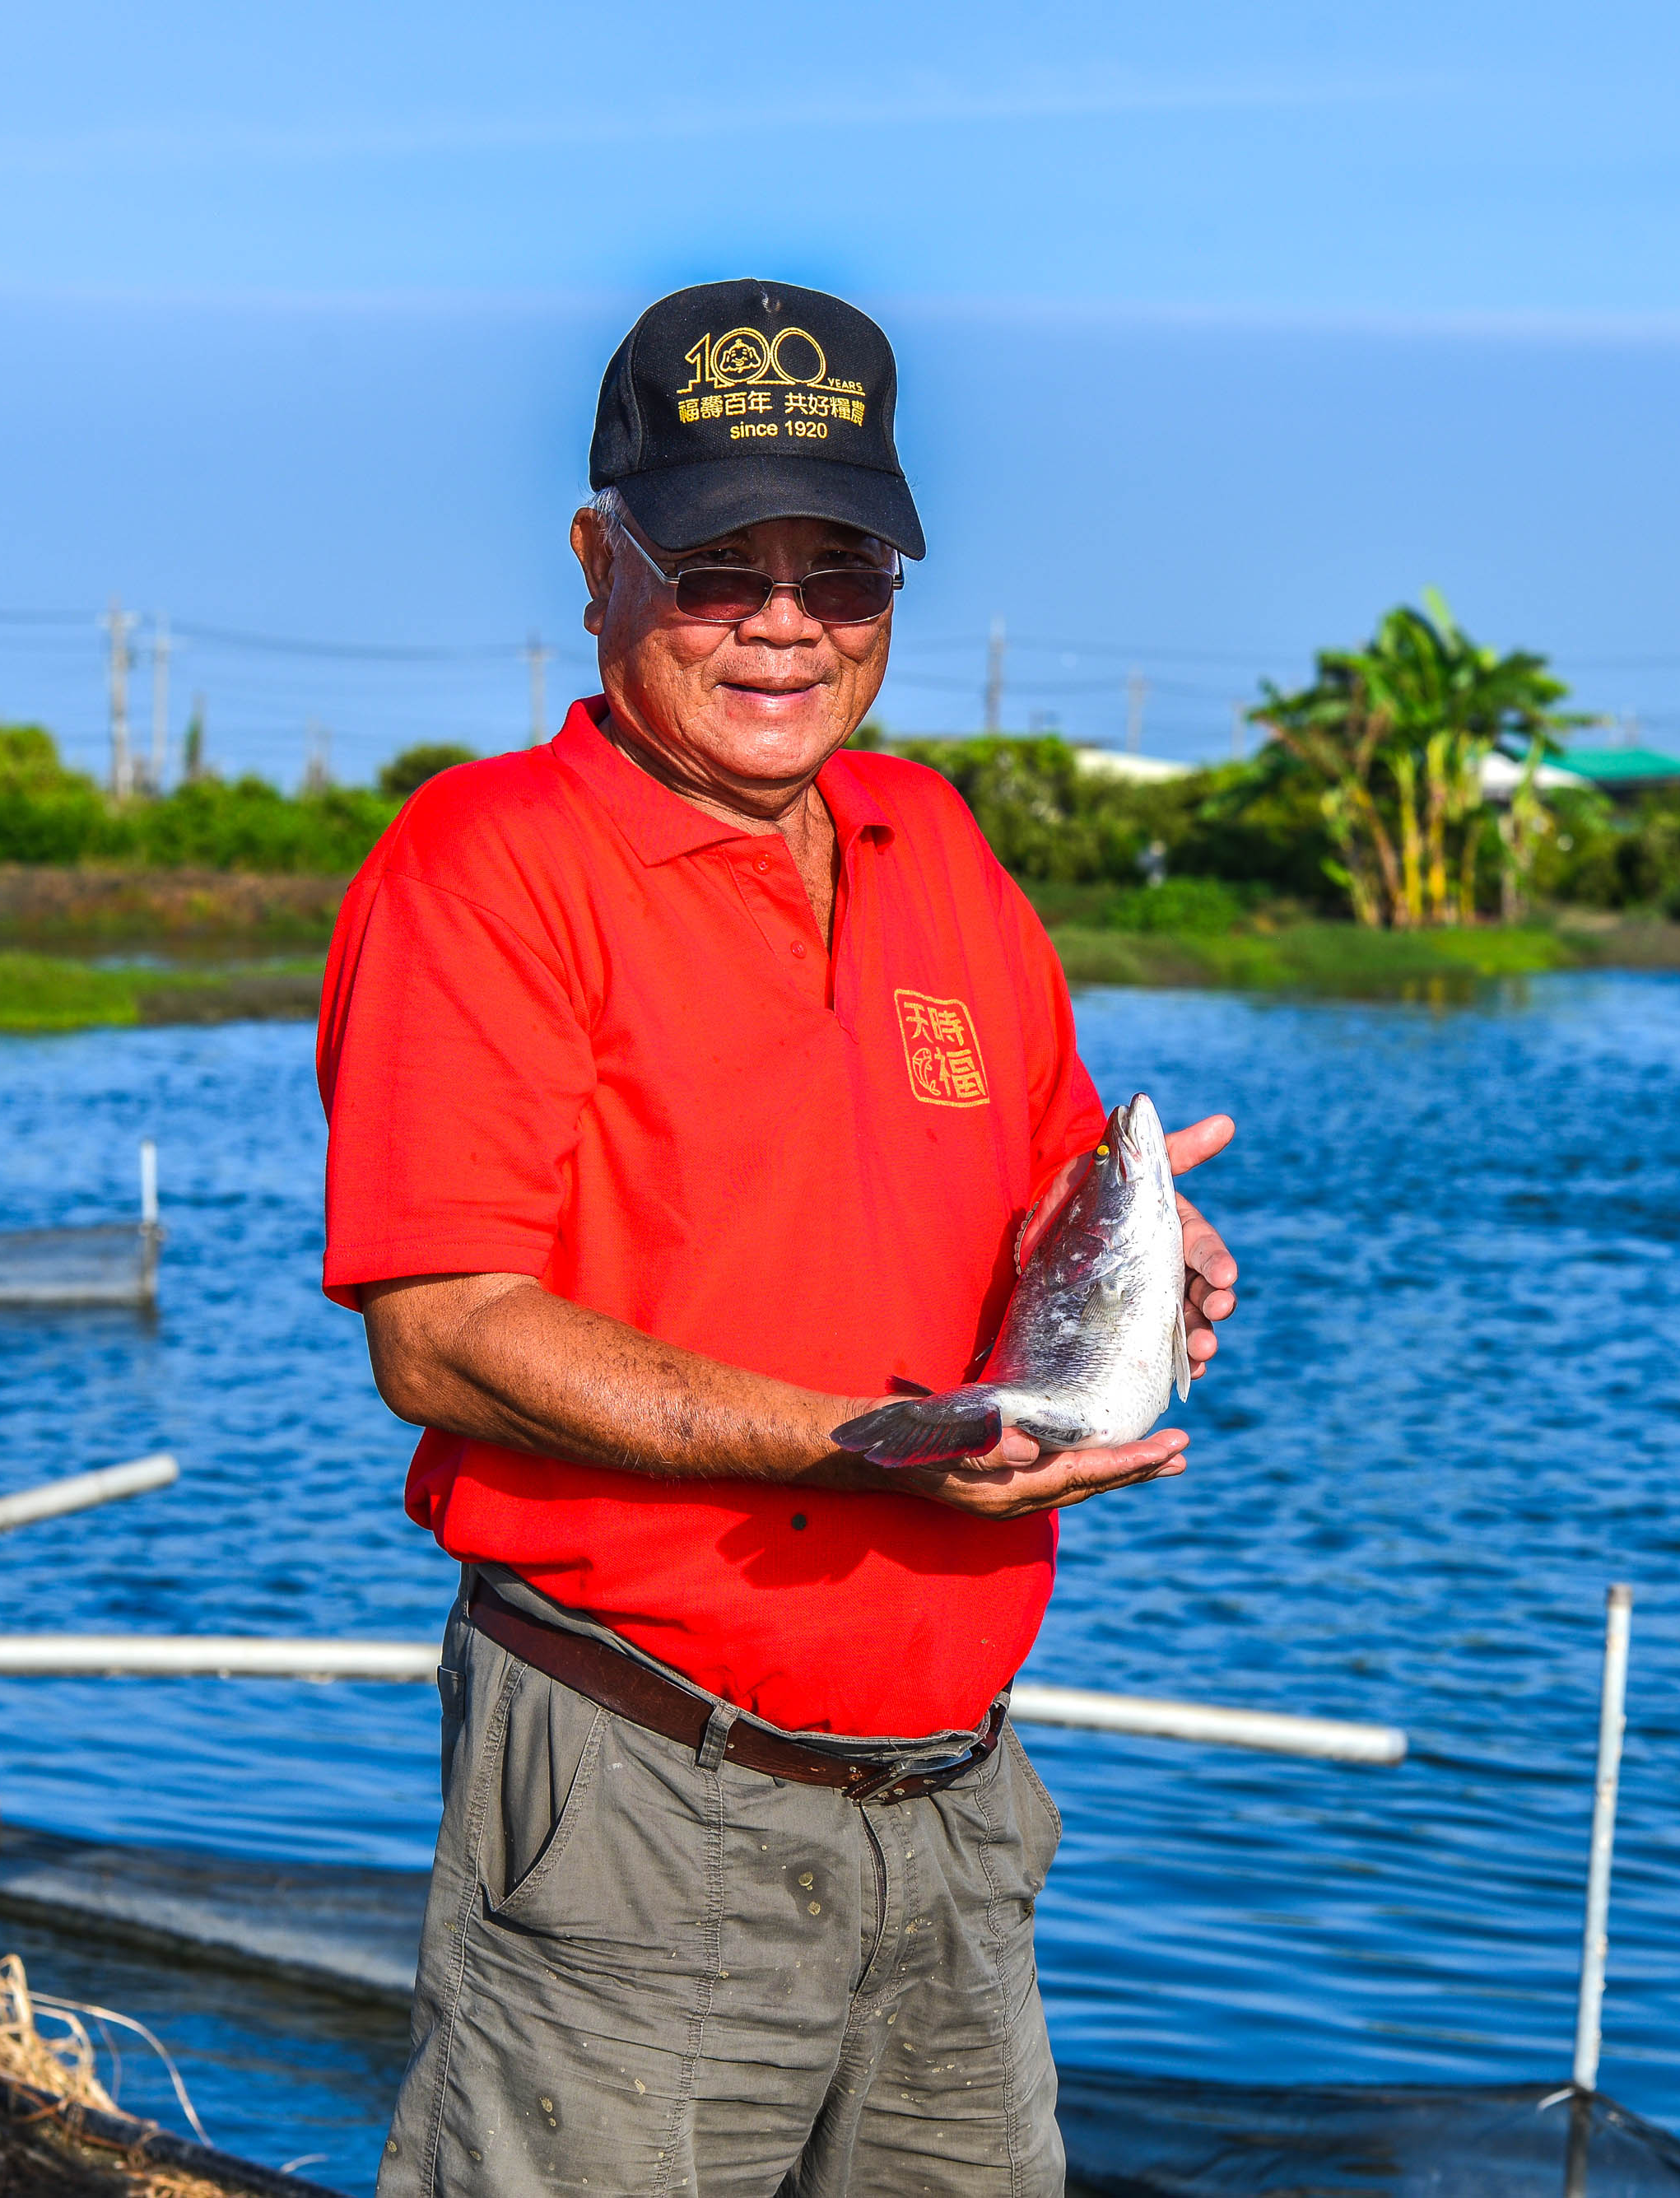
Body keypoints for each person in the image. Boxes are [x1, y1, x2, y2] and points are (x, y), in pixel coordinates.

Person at [316, 279, 1240, 2198]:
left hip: (959, 1803)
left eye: (841, 567)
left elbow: (1042, 1197)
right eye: (718, 561)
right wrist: (854, 1439)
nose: (783, 622)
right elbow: (447, 1330)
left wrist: (1152, 1268)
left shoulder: (938, 845)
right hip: (639, 1788)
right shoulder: (486, 865)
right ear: (596, 562)